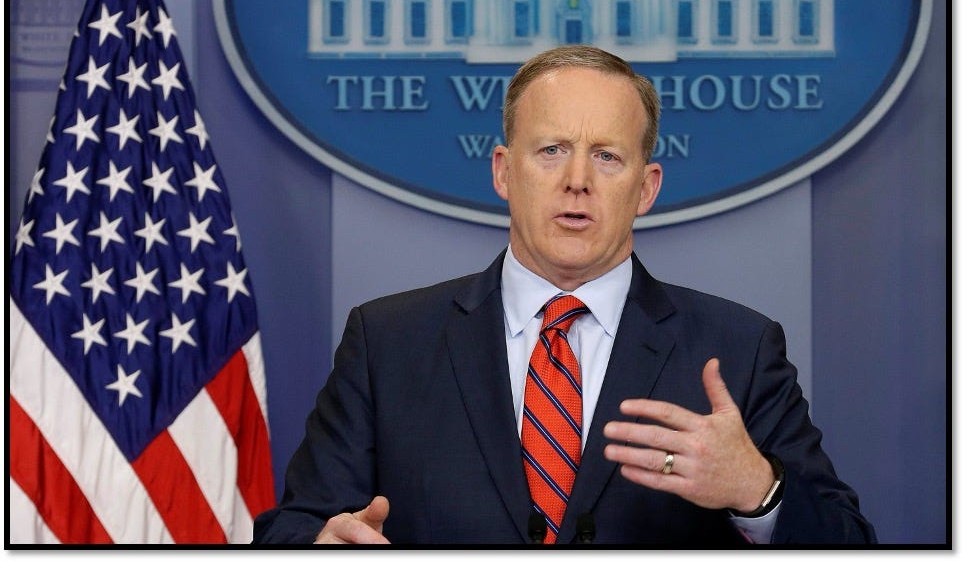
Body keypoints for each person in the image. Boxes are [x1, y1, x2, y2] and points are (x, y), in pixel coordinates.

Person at [252, 45, 876, 545]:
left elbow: (849, 542)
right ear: (504, 171)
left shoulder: (738, 349)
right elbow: (292, 528)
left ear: (646, 188)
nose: (577, 181)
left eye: (606, 156)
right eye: (552, 151)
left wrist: (758, 492)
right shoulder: (387, 342)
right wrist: (322, 544)